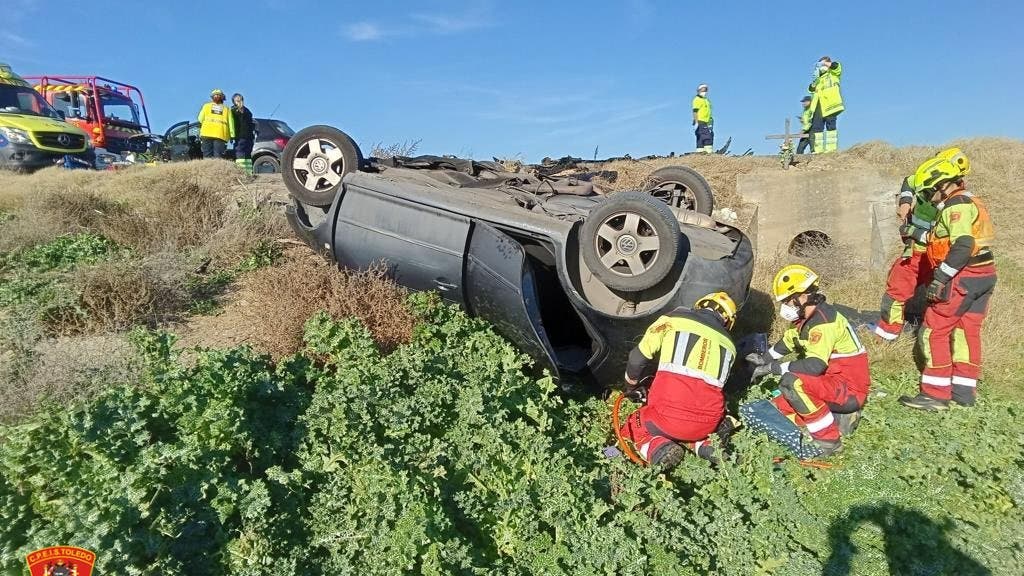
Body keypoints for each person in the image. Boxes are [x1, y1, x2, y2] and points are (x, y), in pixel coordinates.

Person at [899, 156, 995, 411]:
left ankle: (935, 393)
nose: (928, 197)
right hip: (982, 275)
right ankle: (963, 391)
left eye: (929, 191)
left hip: (962, 277)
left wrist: (941, 276)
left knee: (934, 329)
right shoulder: (968, 202)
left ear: (942, 185)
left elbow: (962, 244)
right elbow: (939, 237)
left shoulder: (956, 207)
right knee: (966, 331)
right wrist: (915, 234)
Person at [747, 265, 870, 456]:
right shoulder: (806, 319)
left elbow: (814, 366)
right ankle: (837, 419)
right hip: (832, 383)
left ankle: (829, 441)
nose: (786, 306)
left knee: (791, 382)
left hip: (848, 389)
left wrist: (772, 368)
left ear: (803, 296)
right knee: (778, 408)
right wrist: (762, 360)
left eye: (788, 301)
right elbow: (788, 342)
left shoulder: (824, 324)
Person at [618, 292, 738, 468]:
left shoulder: (672, 320)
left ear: (700, 306)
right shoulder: (731, 345)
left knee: (633, 425)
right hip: (708, 424)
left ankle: (657, 448)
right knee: (689, 427)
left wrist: (630, 387)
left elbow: (637, 358)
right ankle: (704, 444)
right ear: (728, 321)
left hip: (668, 417)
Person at [870, 148, 970, 341]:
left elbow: (945, 238)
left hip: (932, 253)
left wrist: (913, 232)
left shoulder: (955, 203)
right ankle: (892, 331)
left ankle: (895, 332)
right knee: (901, 286)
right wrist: (905, 202)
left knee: (908, 288)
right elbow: (910, 181)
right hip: (919, 249)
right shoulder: (933, 177)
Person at [807, 56, 843, 153]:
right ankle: (818, 150)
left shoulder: (833, 74)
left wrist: (825, 64)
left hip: (830, 104)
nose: (820, 67)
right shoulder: (819, 77)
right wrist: (814, 82)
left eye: (822, 64)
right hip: (818, 105)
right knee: (817, 128)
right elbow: (811, 89)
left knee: (830, 126)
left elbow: (836, 66)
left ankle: (831, 150)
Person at [197, 89, 235, 159]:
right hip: (220, 134)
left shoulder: (206, 106)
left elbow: (200, 119)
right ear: (222, 97)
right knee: (218, 156)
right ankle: (216, 169)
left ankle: (207, 170)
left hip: (206, 133)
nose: (217, 96)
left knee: (207, 156)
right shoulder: (226, 109)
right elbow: (231, 123)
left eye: (217, 95)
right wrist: (232, 135)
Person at [231, 93, 256, 175]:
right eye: (237, 100)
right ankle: (248, 173)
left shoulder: (234, 111)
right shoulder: (247, 111)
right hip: (248, 137)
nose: (239, 101)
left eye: (240, 100)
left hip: (242, 136)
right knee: (246, 154)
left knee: (241, 153)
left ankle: (243, 173)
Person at [691, 83, 713, 154]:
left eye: (706, 90)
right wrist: (696, 121)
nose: (705, 92)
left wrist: (711, 120)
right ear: (699, 90)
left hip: (708, 121)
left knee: (700, 137)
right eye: (703, 90)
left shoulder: (706, 100)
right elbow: (695, 111)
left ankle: (700, 151)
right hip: (701, 121)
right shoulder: (697, 100)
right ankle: (709, 152)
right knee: (707, 136)